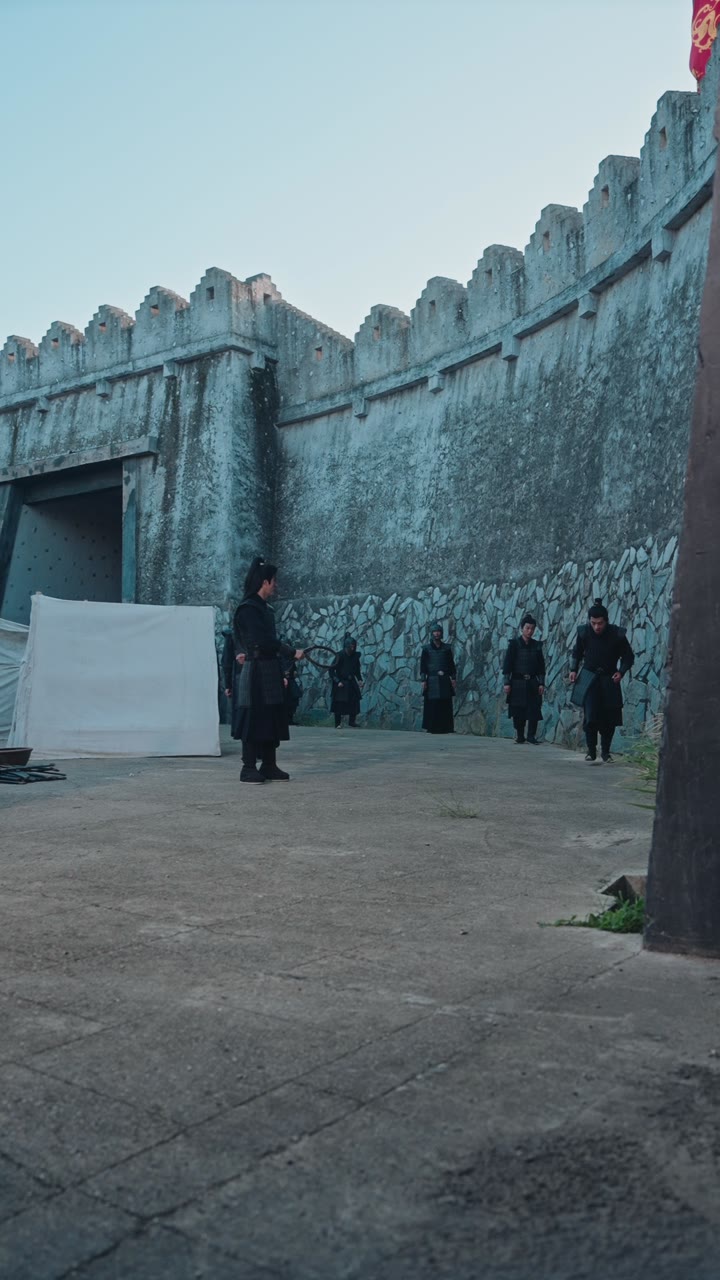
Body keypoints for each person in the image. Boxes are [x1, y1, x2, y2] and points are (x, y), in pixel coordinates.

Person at [231, 557, 304, 783]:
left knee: (271, 715)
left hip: (270, 668)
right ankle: (248, 767)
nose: (276, 585)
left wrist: (282, 668)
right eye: (274, 581)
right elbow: (260, 641)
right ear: (265, 582)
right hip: (255, 670)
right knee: (253, 717)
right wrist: (290, 652)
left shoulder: (264, 609)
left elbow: (269, 641)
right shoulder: (248, 609)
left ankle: (269, 765)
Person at [569, 599, 634, 763]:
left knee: (609, 718)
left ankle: (606, 752)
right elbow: (577, 653)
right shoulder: (584, 633)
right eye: (593, 623)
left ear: (606, 621)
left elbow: (628, 657)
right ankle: (591, 751)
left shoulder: (617, 634)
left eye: (600, 623)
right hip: (589, 678)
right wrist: (573, 669)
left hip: (609, 679)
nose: (596, 627)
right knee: (590, 716)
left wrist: (621, 672)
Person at [502, 613, 546, 744]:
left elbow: (541, 666)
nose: (530, 631)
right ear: (522, 628)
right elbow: (508, 664)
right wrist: (507, 682)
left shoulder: (537, 646)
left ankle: (531, 736)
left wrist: (541, 683)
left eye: (532, 628)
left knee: (534, 709)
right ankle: (520, 735)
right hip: (517, 681)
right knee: (518, 710)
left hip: (532, 682)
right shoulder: (514, 645)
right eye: (527, 628)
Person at [420, 622, 457, 734]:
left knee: (445, 703)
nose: (436, 634)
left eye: (438, 631)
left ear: (441, 633)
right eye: (435, 632)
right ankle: (432, 727)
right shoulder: (426, 649)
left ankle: (446, 727)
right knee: (433, 704)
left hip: (444, 679)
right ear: (432, 633)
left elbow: (451, 664)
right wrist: (423, 680)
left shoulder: (447, 648)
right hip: (431, 679)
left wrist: (453, 678)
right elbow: (423, 666)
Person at [329, 634, 363, 728]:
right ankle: (337, 723)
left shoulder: (355, 656)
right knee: (339, 703)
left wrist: (360, 679)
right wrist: (337, 681)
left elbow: (357, 670)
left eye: (354, 646)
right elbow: (331, 670)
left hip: (351, 681)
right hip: (341, 682)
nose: (352, 648)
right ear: (347, 646)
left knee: (354, 701)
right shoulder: (340, 655)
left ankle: (352, 721)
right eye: (351, 646)